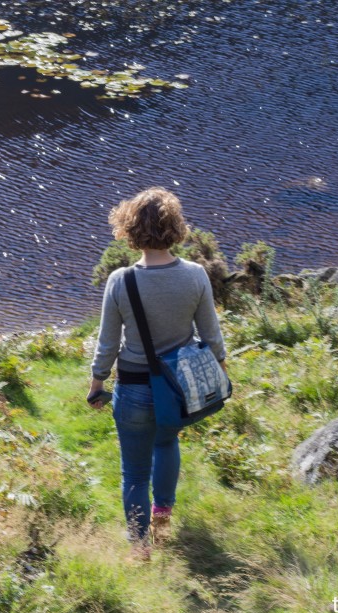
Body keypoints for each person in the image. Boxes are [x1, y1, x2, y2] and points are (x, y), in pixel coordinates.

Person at [87, 187, 228, 559]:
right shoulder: (196, 275)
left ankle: (139, 546)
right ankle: (162, 522)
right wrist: (222, 376)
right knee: (166, 443)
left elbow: (107, 342)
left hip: (132, 389)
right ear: (175, 228)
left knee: (133, 471)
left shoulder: (120, 280)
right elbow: (211, 337)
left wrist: (97, 383)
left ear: (130, 230)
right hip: (177, 389)